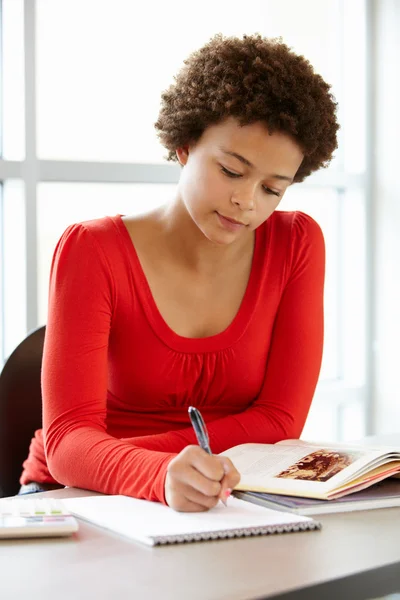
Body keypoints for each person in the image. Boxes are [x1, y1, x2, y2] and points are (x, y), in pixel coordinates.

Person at [20, 33, 339, 512]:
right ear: (185, 144)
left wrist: (193, 472)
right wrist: (160, 472)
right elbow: (69, 444)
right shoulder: (92, 249)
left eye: (274, 188)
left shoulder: (295, 244)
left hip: (219, 492)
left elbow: (280, 420)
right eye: (232, 171)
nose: (247, 202)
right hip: (75, 495)